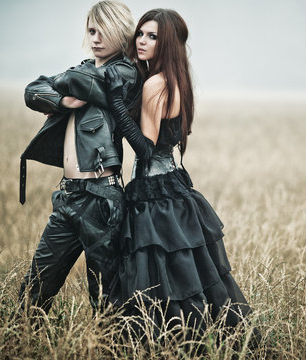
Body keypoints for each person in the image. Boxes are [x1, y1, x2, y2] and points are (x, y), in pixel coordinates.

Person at [105, 9, 251, 333]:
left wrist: (115, 104)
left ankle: (165, 342)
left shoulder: (155, 84)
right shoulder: (176, 79)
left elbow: (145, 148)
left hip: (153, 194)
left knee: (156, 280)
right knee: (186, 276)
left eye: (152, 36)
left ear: (167, 42)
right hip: (173, 187)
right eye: (140, 33)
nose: (141, 41)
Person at [18, 0, 142, 315]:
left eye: (104, 30)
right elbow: (32, 90)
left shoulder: (125, 74)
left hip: (103, 198)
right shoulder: (85, 69)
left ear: (122, 32)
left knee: (106, 303)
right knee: (34, 291)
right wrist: (61, 102)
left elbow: (91, 84)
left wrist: (60, 84)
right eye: (91, 30)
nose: (96, 37)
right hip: (69, 195)